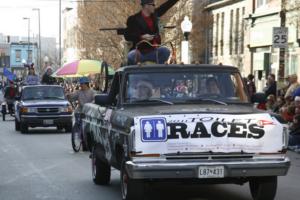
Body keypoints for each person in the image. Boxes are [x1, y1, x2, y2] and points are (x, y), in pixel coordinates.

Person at [125, 0, 179, 65]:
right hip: (140, 52)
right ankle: (137, 73)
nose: (154, 6)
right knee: (131, 55)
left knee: (165, 51)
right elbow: (127, 35)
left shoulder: (155, 15)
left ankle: (158, 71)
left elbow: (165, 6)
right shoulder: (133, 19)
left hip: (154, 51)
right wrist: (141, 37)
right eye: (153, 5)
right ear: (146, 6)